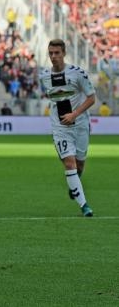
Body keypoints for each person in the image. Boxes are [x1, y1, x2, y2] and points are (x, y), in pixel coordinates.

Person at [38, 39, 96, 217]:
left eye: (57, 53)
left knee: (79, 164)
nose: (54, 57)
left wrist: (74, 114)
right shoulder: (44, 76)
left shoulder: (78, 73)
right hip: (60, 127)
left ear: (64, 53)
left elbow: (91, 98)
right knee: (69, 163)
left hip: (80, 124)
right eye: (51, 53)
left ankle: (75, 184)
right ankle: (84, 205)